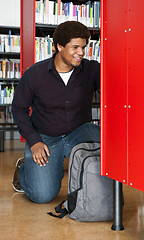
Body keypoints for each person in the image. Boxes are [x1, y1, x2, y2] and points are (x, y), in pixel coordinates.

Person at [12, 21, 100, 203]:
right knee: (42, 196)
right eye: (75, 47)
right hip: (46, 137)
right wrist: (34, 141)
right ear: (59, 46)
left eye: (83, 47)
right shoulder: (34, 74)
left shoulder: (91, 69)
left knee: (109, 140)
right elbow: (19, 109)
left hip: (78, 132)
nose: (81, 53)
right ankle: (24, 170)